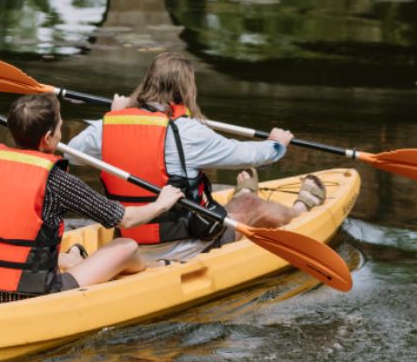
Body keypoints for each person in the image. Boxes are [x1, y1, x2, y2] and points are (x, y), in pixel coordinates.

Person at [67, 51, 326, 260]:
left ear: (146, 85)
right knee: (251, 207)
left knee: (235, 202)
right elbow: (246, 154)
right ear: (186, 91)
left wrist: (113, 116)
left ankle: (244, 193)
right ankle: (299, 211)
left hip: (128, 239)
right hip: (182, 244)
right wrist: (276, 144)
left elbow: (74, 154)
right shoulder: (189, 132)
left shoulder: (105, 128)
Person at [0, 93, 183, 305]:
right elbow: (126, 219)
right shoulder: (58, 182)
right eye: (61, 128)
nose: (61, 134)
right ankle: (151, 273)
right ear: (48, 137)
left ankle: (72, 260)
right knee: (126, 246)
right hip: (33, 296)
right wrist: (162, 203)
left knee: (56, 251)